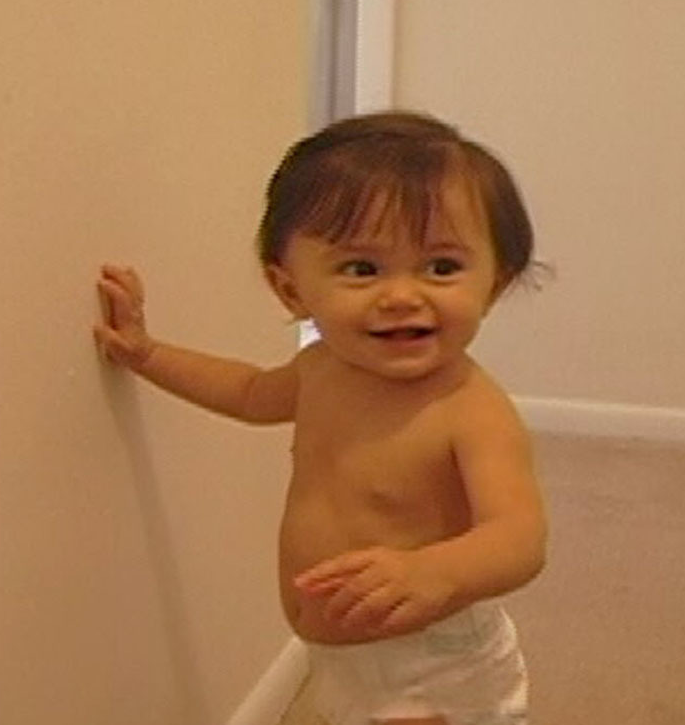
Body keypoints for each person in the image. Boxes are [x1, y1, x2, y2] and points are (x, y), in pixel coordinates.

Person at [94, 111, 547, 725]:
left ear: (495, 283)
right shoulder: (321, 370)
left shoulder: (469, 409)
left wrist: (432, 571)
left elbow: (520, 538)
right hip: (343, 658)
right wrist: (148, 354)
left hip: (431, 659)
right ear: (292, 290)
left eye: (441, 267)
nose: (402, 295)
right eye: (362, 269)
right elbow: (249, 392)